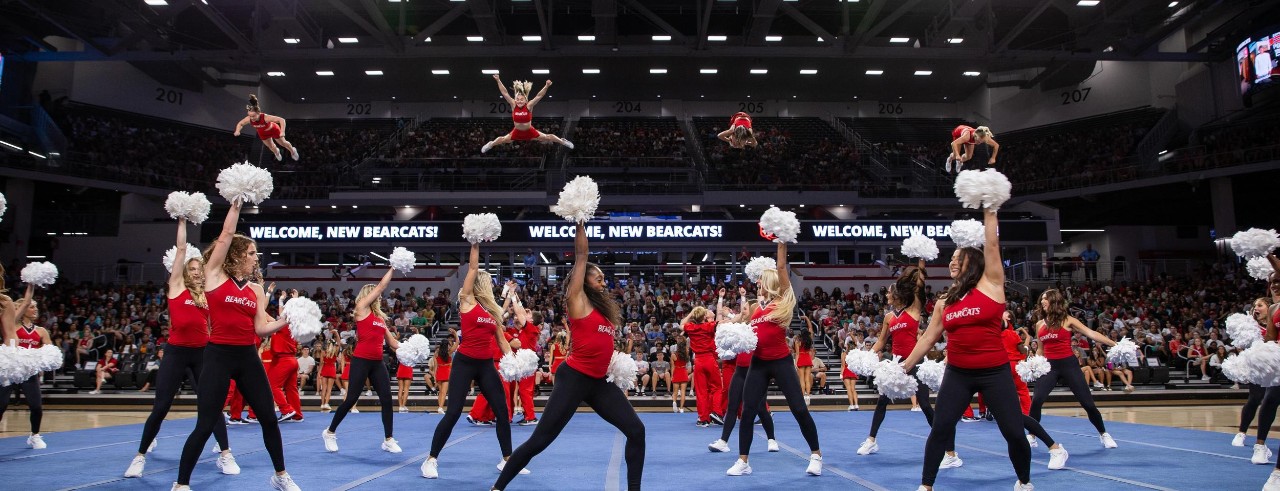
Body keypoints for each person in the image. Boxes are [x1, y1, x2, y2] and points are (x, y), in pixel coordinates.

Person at [492, 222, 645, 491]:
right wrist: (580, 223)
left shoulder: (602, 310)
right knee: (540, 440)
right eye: (597, 278)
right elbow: (582, 255)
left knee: (637, 431)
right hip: (574, 378)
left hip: (599, 382)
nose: (603, 282)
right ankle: (497, 488)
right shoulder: (577, 300)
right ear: (583, 279)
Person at [901, 206, 1037, 491]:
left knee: (1013, 432)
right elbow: (926, 340)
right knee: (940, 428)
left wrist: (989, 209)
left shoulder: (992, 285)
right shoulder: (945, 301)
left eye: (956, 258)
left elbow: (993, 244)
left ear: (972, 261)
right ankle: (926, 486)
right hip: (958, 374)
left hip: (994, 372)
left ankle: (1024, 482)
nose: (951, 263)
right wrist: (904, 366)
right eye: (950, 259)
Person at [173, 200, 299, 491]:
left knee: (269, 418)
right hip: (217, 354)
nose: (257, 258)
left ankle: (280, 476)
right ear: (238, 255)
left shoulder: (256, 289)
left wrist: (286, 319)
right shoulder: (214, 275)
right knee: (205, 424)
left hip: (247, 357)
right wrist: (236, 204)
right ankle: (181, 484)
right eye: (252, 253)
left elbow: (260, 328)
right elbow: (227, 233)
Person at [125, 218, 233, 477]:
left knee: (211, 405)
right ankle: (139, 456)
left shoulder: (209, 293)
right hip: (176, 353)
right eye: (192, 268)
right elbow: (182, 248)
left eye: (199, 268)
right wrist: (183, 219)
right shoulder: (176, 288)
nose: (196, 271)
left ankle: (226, 454)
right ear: (185, 271)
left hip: (202, 354)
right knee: (161, 406)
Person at [727, 238, 823, 478]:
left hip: (780, 362)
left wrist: (781, 242)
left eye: (761, 280)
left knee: (799, 409)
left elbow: (781, 268)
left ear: (769, 283)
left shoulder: (783, 302)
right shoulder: (757, 308)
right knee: (748, 411)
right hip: (758, 364)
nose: (757, 282)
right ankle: (743, 461)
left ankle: (816, 455)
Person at [423, 242, 519, 479]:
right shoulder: (467, 300)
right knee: (454, 411)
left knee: (502, 409)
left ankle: (507, 459)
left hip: (486, 364)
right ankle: (431, 459)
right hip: (465, 362)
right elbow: (474, 267)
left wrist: (514, 362)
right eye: (487, 281)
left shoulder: (492, 310)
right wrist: (475, 243)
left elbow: (502, 341)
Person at [858, 263, 935, 456]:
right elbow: (882, 341)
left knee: (925, 404)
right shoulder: (888, 317)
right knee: (882, 401)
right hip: (896, 363)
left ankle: (940, 441)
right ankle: (871, 440)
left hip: (916, 361)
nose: (886, 296)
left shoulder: (914, 309)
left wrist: (921, 260)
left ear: (897, 294)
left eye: (888, 293)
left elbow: (919, 284)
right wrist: (866, 355)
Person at [1028, 288, 1120, 449]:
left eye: (1045, 298)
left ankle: (1103, 434)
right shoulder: (1039, 324)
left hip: (1068, 364)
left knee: (1088, 404)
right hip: (1049, 367)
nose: (1042, 301)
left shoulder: (1068, 320)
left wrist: (1114, 344)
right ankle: (1031, 436)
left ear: (1054, 300)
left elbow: (1091, 333)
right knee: (1036, 401)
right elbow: (1041, 349)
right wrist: (1035, 363)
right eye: (1041, 299)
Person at [323, 267, 402, 454]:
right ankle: (330, 432)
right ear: (368, 295)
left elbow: (392, 342)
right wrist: (393, 267)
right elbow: (382, 286)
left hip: (377, 363)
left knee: (387, 400)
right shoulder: (360, 310)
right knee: (351, 399)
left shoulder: (380, 319)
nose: (380, 296)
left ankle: (388, 439)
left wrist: (412, 348)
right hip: (361, 360)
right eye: (375, 293)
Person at [707, 296, 779, 455]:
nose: (742, 311)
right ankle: (723, 441)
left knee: (761, 407)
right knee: (732, 406)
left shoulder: (760, 326)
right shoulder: (741, 325)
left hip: (757, 372)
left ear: (753, 311)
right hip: (740, 371)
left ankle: (771, 439)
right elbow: (728, 321)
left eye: (745, 308)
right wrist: (725, 310)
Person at [0, 281, 51, 450]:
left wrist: (32, 282)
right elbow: (25, 303)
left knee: (36, 406)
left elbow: (28, 300)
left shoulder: (40, 330)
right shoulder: (12, 322)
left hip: (27, 367)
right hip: (10, 364)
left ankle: (34, 435)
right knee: (1, 405)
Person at [480, 76, 573, 153]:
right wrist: (498, 80)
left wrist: (546, 85)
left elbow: (539, 96)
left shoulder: (529, 106)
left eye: (522, 99)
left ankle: (563, 141)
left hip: (529, 131)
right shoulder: (513, 104)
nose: (519, 101)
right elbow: (504, 93)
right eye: (518, 99)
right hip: (517, 131)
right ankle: (490, 144)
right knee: (503, 140)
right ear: (515, 100)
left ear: (525, 100)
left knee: (547, 137)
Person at [1235, 297, 1274, 447]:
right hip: (1258, 367)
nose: (1256, 308)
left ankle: (1261, 441)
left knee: (1270, 401)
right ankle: (1241, 432)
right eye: (1254, 305)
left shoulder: (1275, 324)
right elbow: (1240, 345)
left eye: (1260, 305)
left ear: (1269, 307)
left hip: (1275, 367)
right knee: (1255, 398)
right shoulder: (1251, 326)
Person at [681, 302, 724, 426]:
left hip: (698, 361)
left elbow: (681, 324)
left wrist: (691, 313)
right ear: (704, 317)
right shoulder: (709, 326)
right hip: (709, 359)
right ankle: (716, 412)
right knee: (716, 387)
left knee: (701, 391)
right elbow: (720, 321)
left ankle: (702, 419)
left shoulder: (690, 327)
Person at [268, 290, 303, 424]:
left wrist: (260, 302)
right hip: (292, 360)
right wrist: (283, 300)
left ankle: (286, 410)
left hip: (284, 359)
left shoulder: (282, 323)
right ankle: (297, 414)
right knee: (291, 388)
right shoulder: (292, 323)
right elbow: (282, 314)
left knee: (272, 386)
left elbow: (269, 318)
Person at [232, 94, 299, 162]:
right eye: (250, 116)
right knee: (271, 147)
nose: (251, 118)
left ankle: (292, 151)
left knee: (283, 143)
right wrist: (237, 131)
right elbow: (240, 123)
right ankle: (277, 152)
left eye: (253, 116)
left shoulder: (265, 117)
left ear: (258, 113)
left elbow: (281, 120)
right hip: (263, 133)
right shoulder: (248, 119)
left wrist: (282, 131)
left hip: (274, 130)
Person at [430, 340, 452, 414]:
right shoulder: (449, 353)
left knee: (440, 392)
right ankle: (441, 408)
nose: (450, 346)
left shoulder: (436, 354)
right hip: (446, 372)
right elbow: (457, 343)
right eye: (449, 345)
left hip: (439, 372)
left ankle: (440, 407)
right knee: (444, 392)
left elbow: (436, 366)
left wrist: (435, 376)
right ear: (447, 346)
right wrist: (455, 334)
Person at [839, 340, 861, 411]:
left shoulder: (844, 354)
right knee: (853, 389)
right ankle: (856, 405)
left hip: (847, 371)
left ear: (848, 347)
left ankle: (851, 405)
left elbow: (843, 365)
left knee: (848, 389)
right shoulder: (855, 354)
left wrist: (841, 374)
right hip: (853, 371)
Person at [670, 338, 691, 413]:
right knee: (683, 392)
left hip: (677, 371)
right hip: (683, 371)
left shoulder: (673, 355)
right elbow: (687, 344)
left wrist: (672, 376)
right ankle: (681, 408)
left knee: (675, 391)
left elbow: (672, 366)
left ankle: (674, 402)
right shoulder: (686, 352)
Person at [317, 342, 339, 412]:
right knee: (329, 389)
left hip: (325, 368)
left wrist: (319, 372)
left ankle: (322, 404)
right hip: (332, 369)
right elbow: (339, 342)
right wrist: (336, 333)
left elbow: (321, 363)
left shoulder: (323, 352)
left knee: (324, 388)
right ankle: (326, 403)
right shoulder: (335, 352)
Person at [396, 342, 415, 414]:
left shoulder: (400, 352)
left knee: (400, 388)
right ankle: (403, 405)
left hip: (401, 369)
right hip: (408, 369)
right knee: (406, 389)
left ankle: (400, 406)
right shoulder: (411, 352)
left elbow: (392, 347)